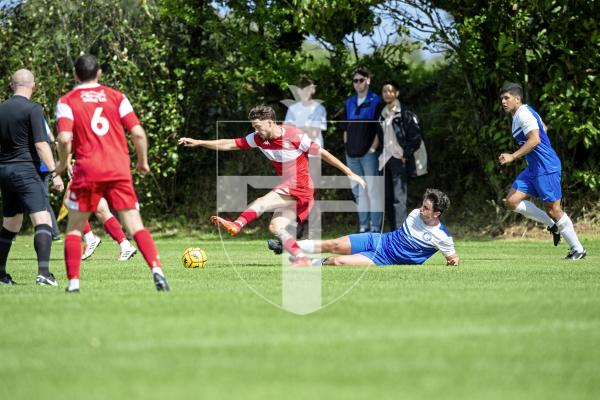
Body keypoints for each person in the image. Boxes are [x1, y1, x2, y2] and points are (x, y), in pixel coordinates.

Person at [178, 104, 366, 267]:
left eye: (258, 126)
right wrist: (199, 142)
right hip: (299, 193)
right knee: (276, 227)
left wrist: (349, 172)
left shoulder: (294, 135)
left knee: (262, 201)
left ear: (270, 122)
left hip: (300, 186)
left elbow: (322, 153)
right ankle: (302, 259)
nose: (256, 131)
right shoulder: (259, 138)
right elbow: (230, 144)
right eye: (253, 127)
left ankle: (237, 225)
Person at [55, 54, 170, 292]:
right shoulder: (117, 97)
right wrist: (142, 161)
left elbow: (65, 138)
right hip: (118, 169)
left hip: (87, 169)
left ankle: (74, 283)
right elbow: (137, 133)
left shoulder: (67, 101)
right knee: (136, 226)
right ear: (99, 73)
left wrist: (62, 163)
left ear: (75, 75)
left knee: (75, 228)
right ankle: (157, 272)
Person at [498, 83, 586, 260]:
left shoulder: (523, 113)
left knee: (553, 209)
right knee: (512, 201)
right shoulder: (521, 114)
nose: (503, 102)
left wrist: (513, 156)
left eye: (507, 98)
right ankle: (552, 226)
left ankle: (578, 250)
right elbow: (543, 128)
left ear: (517, 99)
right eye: (501, 99)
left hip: (546, 167)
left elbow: (535, 139)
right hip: (533, 168)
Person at [268, 189, 459, 267]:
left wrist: (453, 262)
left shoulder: (442, 237)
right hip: (377, 239)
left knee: (338, 262)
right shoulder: (415, 213)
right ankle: (286, 246)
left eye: (427, 208)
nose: (421, 209)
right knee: (333, 243)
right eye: (423, 204)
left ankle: (308, 263)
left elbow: (452, 257)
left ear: (437, 214)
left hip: (383, 258)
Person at [0, 69, 65, 286]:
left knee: (11, 223)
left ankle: (0, 274)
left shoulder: (1, 109)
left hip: (5, 172)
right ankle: (44, 274)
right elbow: (41, 144)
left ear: (11, 85)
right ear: (34, 85)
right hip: (26, 171)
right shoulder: (33, 109)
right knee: (43, 219)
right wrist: (54, 171)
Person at [283, 76, 327, 238]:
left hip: (313, 155)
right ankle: (297, 225)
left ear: (313, 90)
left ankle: (312, 228)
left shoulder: (318, 108)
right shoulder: (293, 109)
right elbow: (287, 131)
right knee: (296, 191)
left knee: (312, 191)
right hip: (295, 155)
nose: (306, 91)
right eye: (303, 88)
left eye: (309, 88)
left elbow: (314, 132)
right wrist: (303, 129)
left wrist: (297, 129)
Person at [377, 80, 423, 230]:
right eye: (385, 91)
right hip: (385, 160)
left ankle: (400, 233)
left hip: (399, 160)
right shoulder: (382, 114)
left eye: (390, 91)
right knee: (387, 199)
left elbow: (416, 138)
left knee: (399, 199)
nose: (387, 93)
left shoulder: (406, 113)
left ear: (397, 93)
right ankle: (392, 233)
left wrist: (405, 154)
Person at [341, 67, 383, 233]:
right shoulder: (349, 102)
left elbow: (380, 129)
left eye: (361, 80)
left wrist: (373, 148)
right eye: (355, 80)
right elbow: (345, 128)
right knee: (359, 192)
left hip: (369, 154)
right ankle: (363, 227)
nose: (358, 83)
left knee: (373, 190)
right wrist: (346, 147)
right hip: (351, 155)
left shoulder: (376, 100)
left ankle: (375, 227)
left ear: (368, 80)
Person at [57, 183, 137, 261]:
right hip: (98, 172)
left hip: (87, 171)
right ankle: (125, 246)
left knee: (69, 200)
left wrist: (56, 175)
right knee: (100, 208)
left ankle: (90, 238)